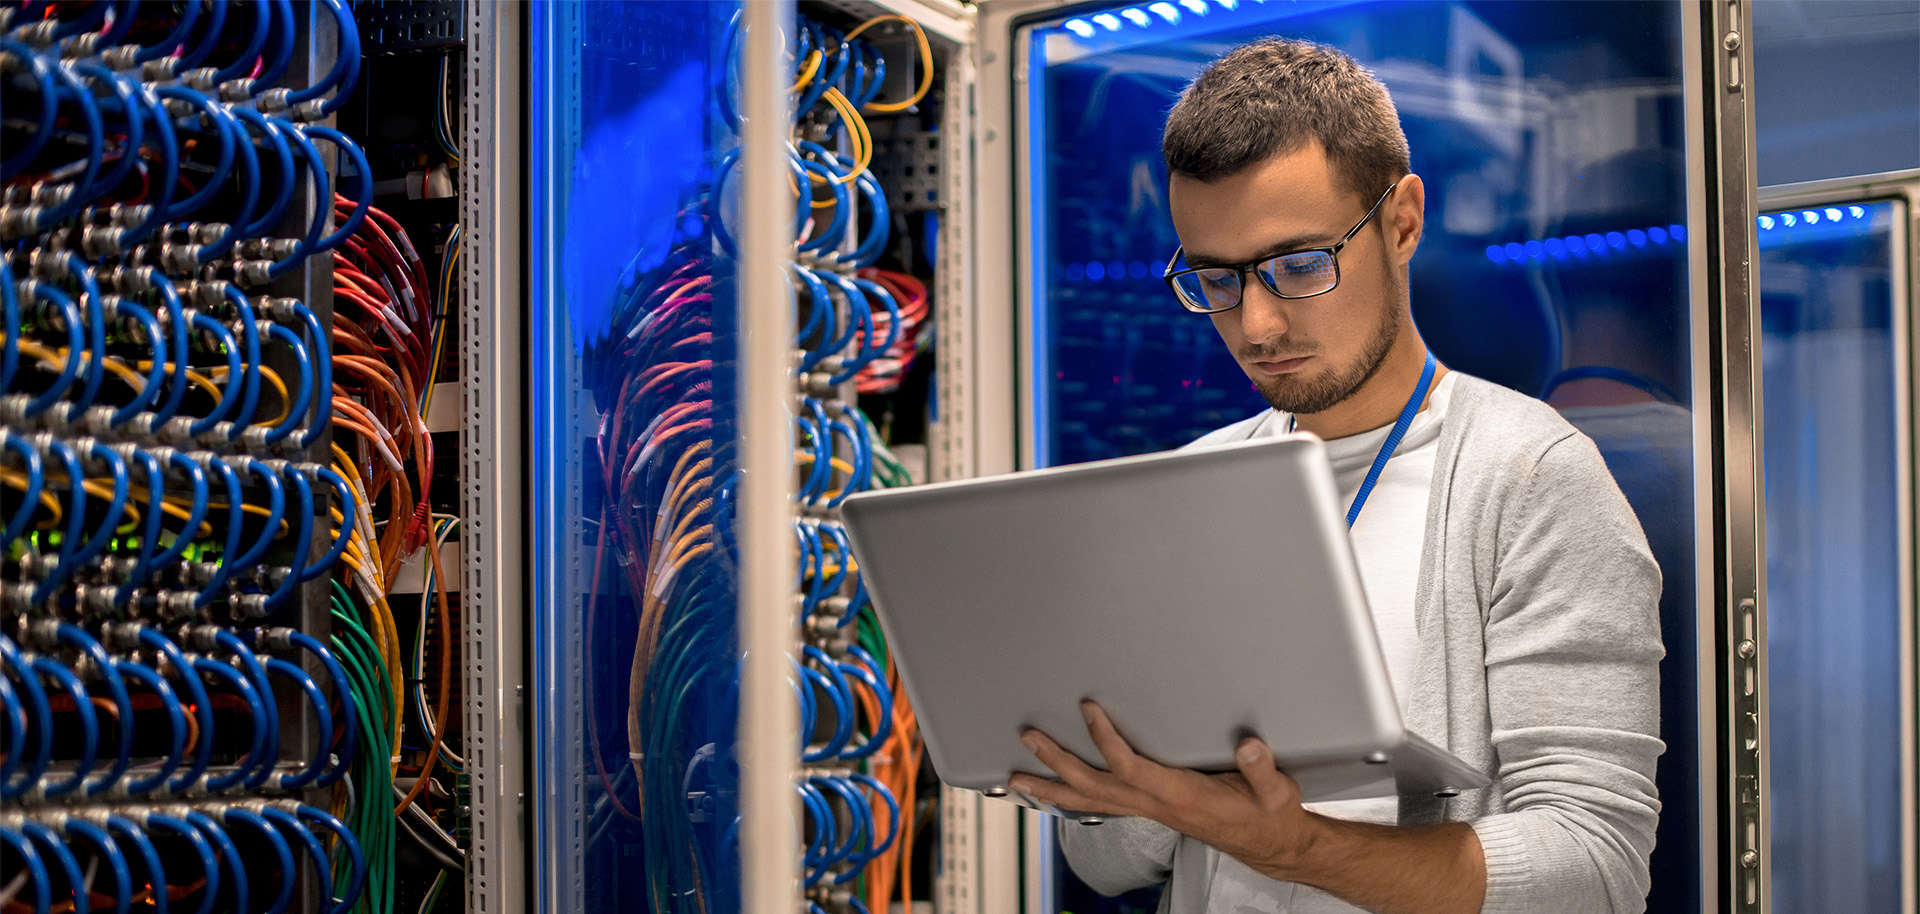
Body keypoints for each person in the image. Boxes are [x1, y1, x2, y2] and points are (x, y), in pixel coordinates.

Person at [1007, 39, 1664, 914]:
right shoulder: (1191, 489)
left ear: (1401, 223)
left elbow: (1595, 866)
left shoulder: (1531, 478)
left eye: (1299, 266)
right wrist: (1143, 791)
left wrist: (1296, 847)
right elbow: (1107, 865)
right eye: (1217, 278)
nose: (1258, 324)